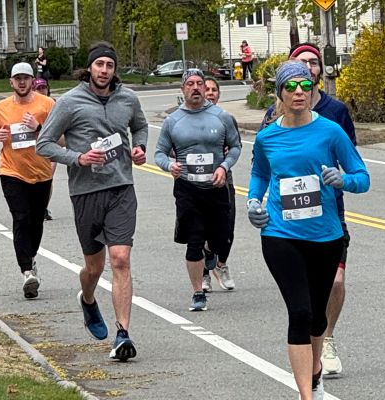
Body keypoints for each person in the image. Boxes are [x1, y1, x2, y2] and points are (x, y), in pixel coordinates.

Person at [247, 61, 369, 400]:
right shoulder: (267, 137)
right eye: (290, 86)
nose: (299, 91)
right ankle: (306, 395)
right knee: (299, 312)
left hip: (325, 237)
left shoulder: (331, 132)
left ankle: (315, 369)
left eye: (305, 85)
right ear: (280, 93)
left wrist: (343, 180)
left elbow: (362, 177)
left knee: (316, 317)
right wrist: (253, 202)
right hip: (280, 234)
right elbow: (259, 174)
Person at [36, 42, 149, 361]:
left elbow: (140, 126)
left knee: (120, 259)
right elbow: (43, 144)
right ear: (90, 68)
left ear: (115, 69)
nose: (104, 70)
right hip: (85, 192)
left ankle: (123, 334)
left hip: (121, 188)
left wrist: (139, 147)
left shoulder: (128, 98)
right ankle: (87, 298)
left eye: (109, 65)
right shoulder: (70, 102)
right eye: (99, 64)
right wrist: (78, 158)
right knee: (94, 267)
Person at [154, 69, 242, 312]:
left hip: (216, 186)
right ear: (183, 89)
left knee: (221, 239)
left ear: (205, 88)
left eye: (199, 83)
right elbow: (159, 153)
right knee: (194, 241)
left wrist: (224, 167)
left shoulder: (221, 117)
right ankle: (198, 293)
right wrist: (170, 165)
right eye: (190, 84)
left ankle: (211, 253)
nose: (195, 87)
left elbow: (235, 147)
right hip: (187, 188)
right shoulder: (173, 121)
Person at [0, 63, 57, 299]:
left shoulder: (47, 105)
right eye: (18, 79)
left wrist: (39, 128)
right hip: (11, 171)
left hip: (41, 172)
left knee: (36, 221)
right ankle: (27, 271)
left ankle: (30, 257)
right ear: (11, 82)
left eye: (26, 78)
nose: (22, 82)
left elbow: (61, 138)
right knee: (21, 217)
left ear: (33, 81)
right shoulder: (1, 108)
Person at [200, 76, 237, 292]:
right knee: (201, 230)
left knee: (227, 227)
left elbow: (236, 146)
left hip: (223, 179)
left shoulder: (226, 119)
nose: (210, 93)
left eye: (214, 90)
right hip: (196, 182)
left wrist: (227, 155)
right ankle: (204, 273)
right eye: (207, 89)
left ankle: (221, 265)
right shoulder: (187, 119)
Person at [33, 77, 55, 222]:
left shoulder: (53, 104)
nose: (41, 90)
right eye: (38, 88)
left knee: (48, 177)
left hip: (51, 146)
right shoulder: (30, 104)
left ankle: (43, 208)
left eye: (43, 87)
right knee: (35, 178)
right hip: (33, 146)